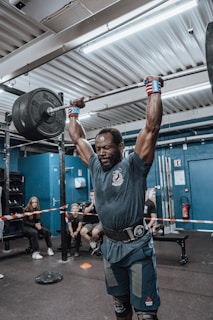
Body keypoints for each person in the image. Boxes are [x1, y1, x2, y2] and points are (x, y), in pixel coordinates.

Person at [68, 75, 163, 320]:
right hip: (110, 248)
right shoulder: (95, 166)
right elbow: (77, 138)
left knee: (145, 314)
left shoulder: (134, 165)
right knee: (120, 307)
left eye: (107, 147)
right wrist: (73, 112)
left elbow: (151, 129)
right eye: (98, 148)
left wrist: (153, 91)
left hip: (136, 248)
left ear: (121, 147)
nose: (101, 153)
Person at [80, 190, 103, 255]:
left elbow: (102, 213)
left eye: (94, 195)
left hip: (98, 223)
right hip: (89, 223)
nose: (93, 197)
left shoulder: (101, 204)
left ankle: (94, 245)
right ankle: (93, 244)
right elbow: (85, 212)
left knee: (94, 233)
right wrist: (92, 204)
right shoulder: (87, 204)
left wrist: (96, 204)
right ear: (90, 196)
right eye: (92, 195)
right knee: (82, 232)